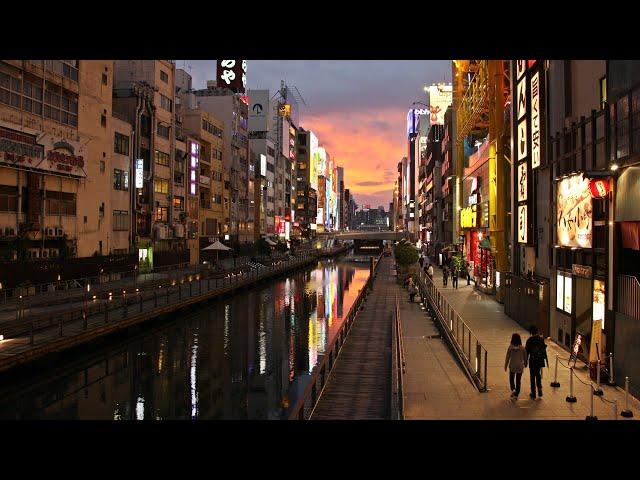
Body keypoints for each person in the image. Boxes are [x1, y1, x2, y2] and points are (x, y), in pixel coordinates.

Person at [525, 325, 548, 399]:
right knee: (538, 374)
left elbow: (527, 352)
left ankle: (533, 393)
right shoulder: (541, 339)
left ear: (531, 332)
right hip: (540, 360)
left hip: (533, 360)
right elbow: (544, 348)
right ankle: (540, 388)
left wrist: (525, 361)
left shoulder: (529, 340)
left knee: (532, 376)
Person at [505, 333, 527, 399]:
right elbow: (525, 357)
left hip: (512, 365)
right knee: (518, 380)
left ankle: (513, 389)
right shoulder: (523, 348)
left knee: (511, 379)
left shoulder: (510, 347)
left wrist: (505, 365)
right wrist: (525, 363)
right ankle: (516, 394)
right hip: (520, 366)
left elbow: (507, 357)